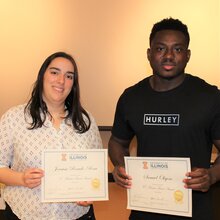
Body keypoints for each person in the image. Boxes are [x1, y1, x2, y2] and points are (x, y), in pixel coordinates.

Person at [108, 18, 220, 220]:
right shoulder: (131, 97)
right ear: (149, 54)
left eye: (177, 49)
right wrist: (119, 166)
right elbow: (117, 142)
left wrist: (212, 175)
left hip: (195, 211)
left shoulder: (209, 97)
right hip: (144, 210)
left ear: (187, 55)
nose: (168, 56)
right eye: (160, 49)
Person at [0, 52, 103, 219]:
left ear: (73, 83)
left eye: (69, 76)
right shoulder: (14, 117)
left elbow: (95, 168)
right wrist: (22, 178)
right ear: (42, 76)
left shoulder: (86, 120)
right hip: (24, 214)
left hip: (76, 215)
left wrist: (90, 192)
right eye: (54, 72)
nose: (61, 81)